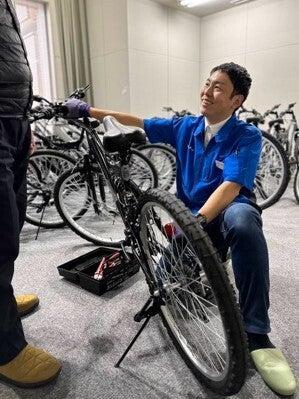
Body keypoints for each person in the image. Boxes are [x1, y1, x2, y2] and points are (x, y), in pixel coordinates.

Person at [65, 62, 296, 396]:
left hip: (225, 209)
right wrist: (89, 110)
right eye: (207, 83)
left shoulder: (246, 136)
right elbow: (138, 120)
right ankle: (206, 259)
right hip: (188, 217)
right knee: (164, 279)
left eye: (219, 87)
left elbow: (232, 185)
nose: (207, 92)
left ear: (236, 101)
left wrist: (196, 224)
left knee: (244, 224)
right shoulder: (185, 126)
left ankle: (258, 335)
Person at [0, 0, 61, 388]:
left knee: (13, 223)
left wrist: (23, 123)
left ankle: (2, 303)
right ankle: (4, 348)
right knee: (0, 233)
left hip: (13, 119)